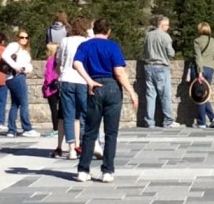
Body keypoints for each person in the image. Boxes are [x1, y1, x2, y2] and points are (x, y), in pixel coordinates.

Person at [73, 19, 140, 183]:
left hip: (94, 86)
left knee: (90, 131)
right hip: (112, 87)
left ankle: (83, 169)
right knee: (111, 133)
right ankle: (107, 170)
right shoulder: (113, 46)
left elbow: (76, 63)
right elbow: (119, 72)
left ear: (94, 30)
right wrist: (131, 92)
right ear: (108, 31)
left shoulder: (85, 45)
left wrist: (88, 80)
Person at [55, 16, 91, 159]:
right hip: (82, 80)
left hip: (66, 79)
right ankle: (85, 142)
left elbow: (59, 61)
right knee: (84, 113)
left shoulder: (65, 41)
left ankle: (71, 149)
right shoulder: (87, 41)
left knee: (68, 116)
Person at [1, 28, 39, 138]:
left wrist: (27, 68)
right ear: (17, 38)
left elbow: (27, 64)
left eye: (26, 38)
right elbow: (5, 55)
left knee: (15, 104)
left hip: (18, 76)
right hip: (16, 76)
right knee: (24, 103)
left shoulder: (25, 50)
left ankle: (11, 130)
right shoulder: (14, 45)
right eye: (22, 37)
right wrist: (15, 66)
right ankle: (27, 128)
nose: (24, 39)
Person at [141, 15, 178, 128]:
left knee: (150, 95)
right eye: (167, 25)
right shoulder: (165, 37)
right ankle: (168, 121)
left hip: (148, 66)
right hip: (161, 66)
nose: (168, 27)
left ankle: (149, 121)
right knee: (165, 95)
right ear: (162, 25)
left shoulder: (148, 35)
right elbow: (171, 53)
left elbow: (144, 51)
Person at [186, 22, 214, 130]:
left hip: (200, 69)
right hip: (210, 69)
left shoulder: (197, 41)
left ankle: (201, 122)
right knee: (205, 94)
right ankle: (213, 118)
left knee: (199, 96)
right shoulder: (212, 41)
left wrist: (200, 72)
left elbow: (198, 58)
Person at [42, 42, 62, 140]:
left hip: (51, 87)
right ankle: (61, 128)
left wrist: (45, 86)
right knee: (61, 109)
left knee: (53, 109)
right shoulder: (59, 60)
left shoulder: (50, 60)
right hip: (59, 85)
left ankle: (55, 129)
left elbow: (48, 75)